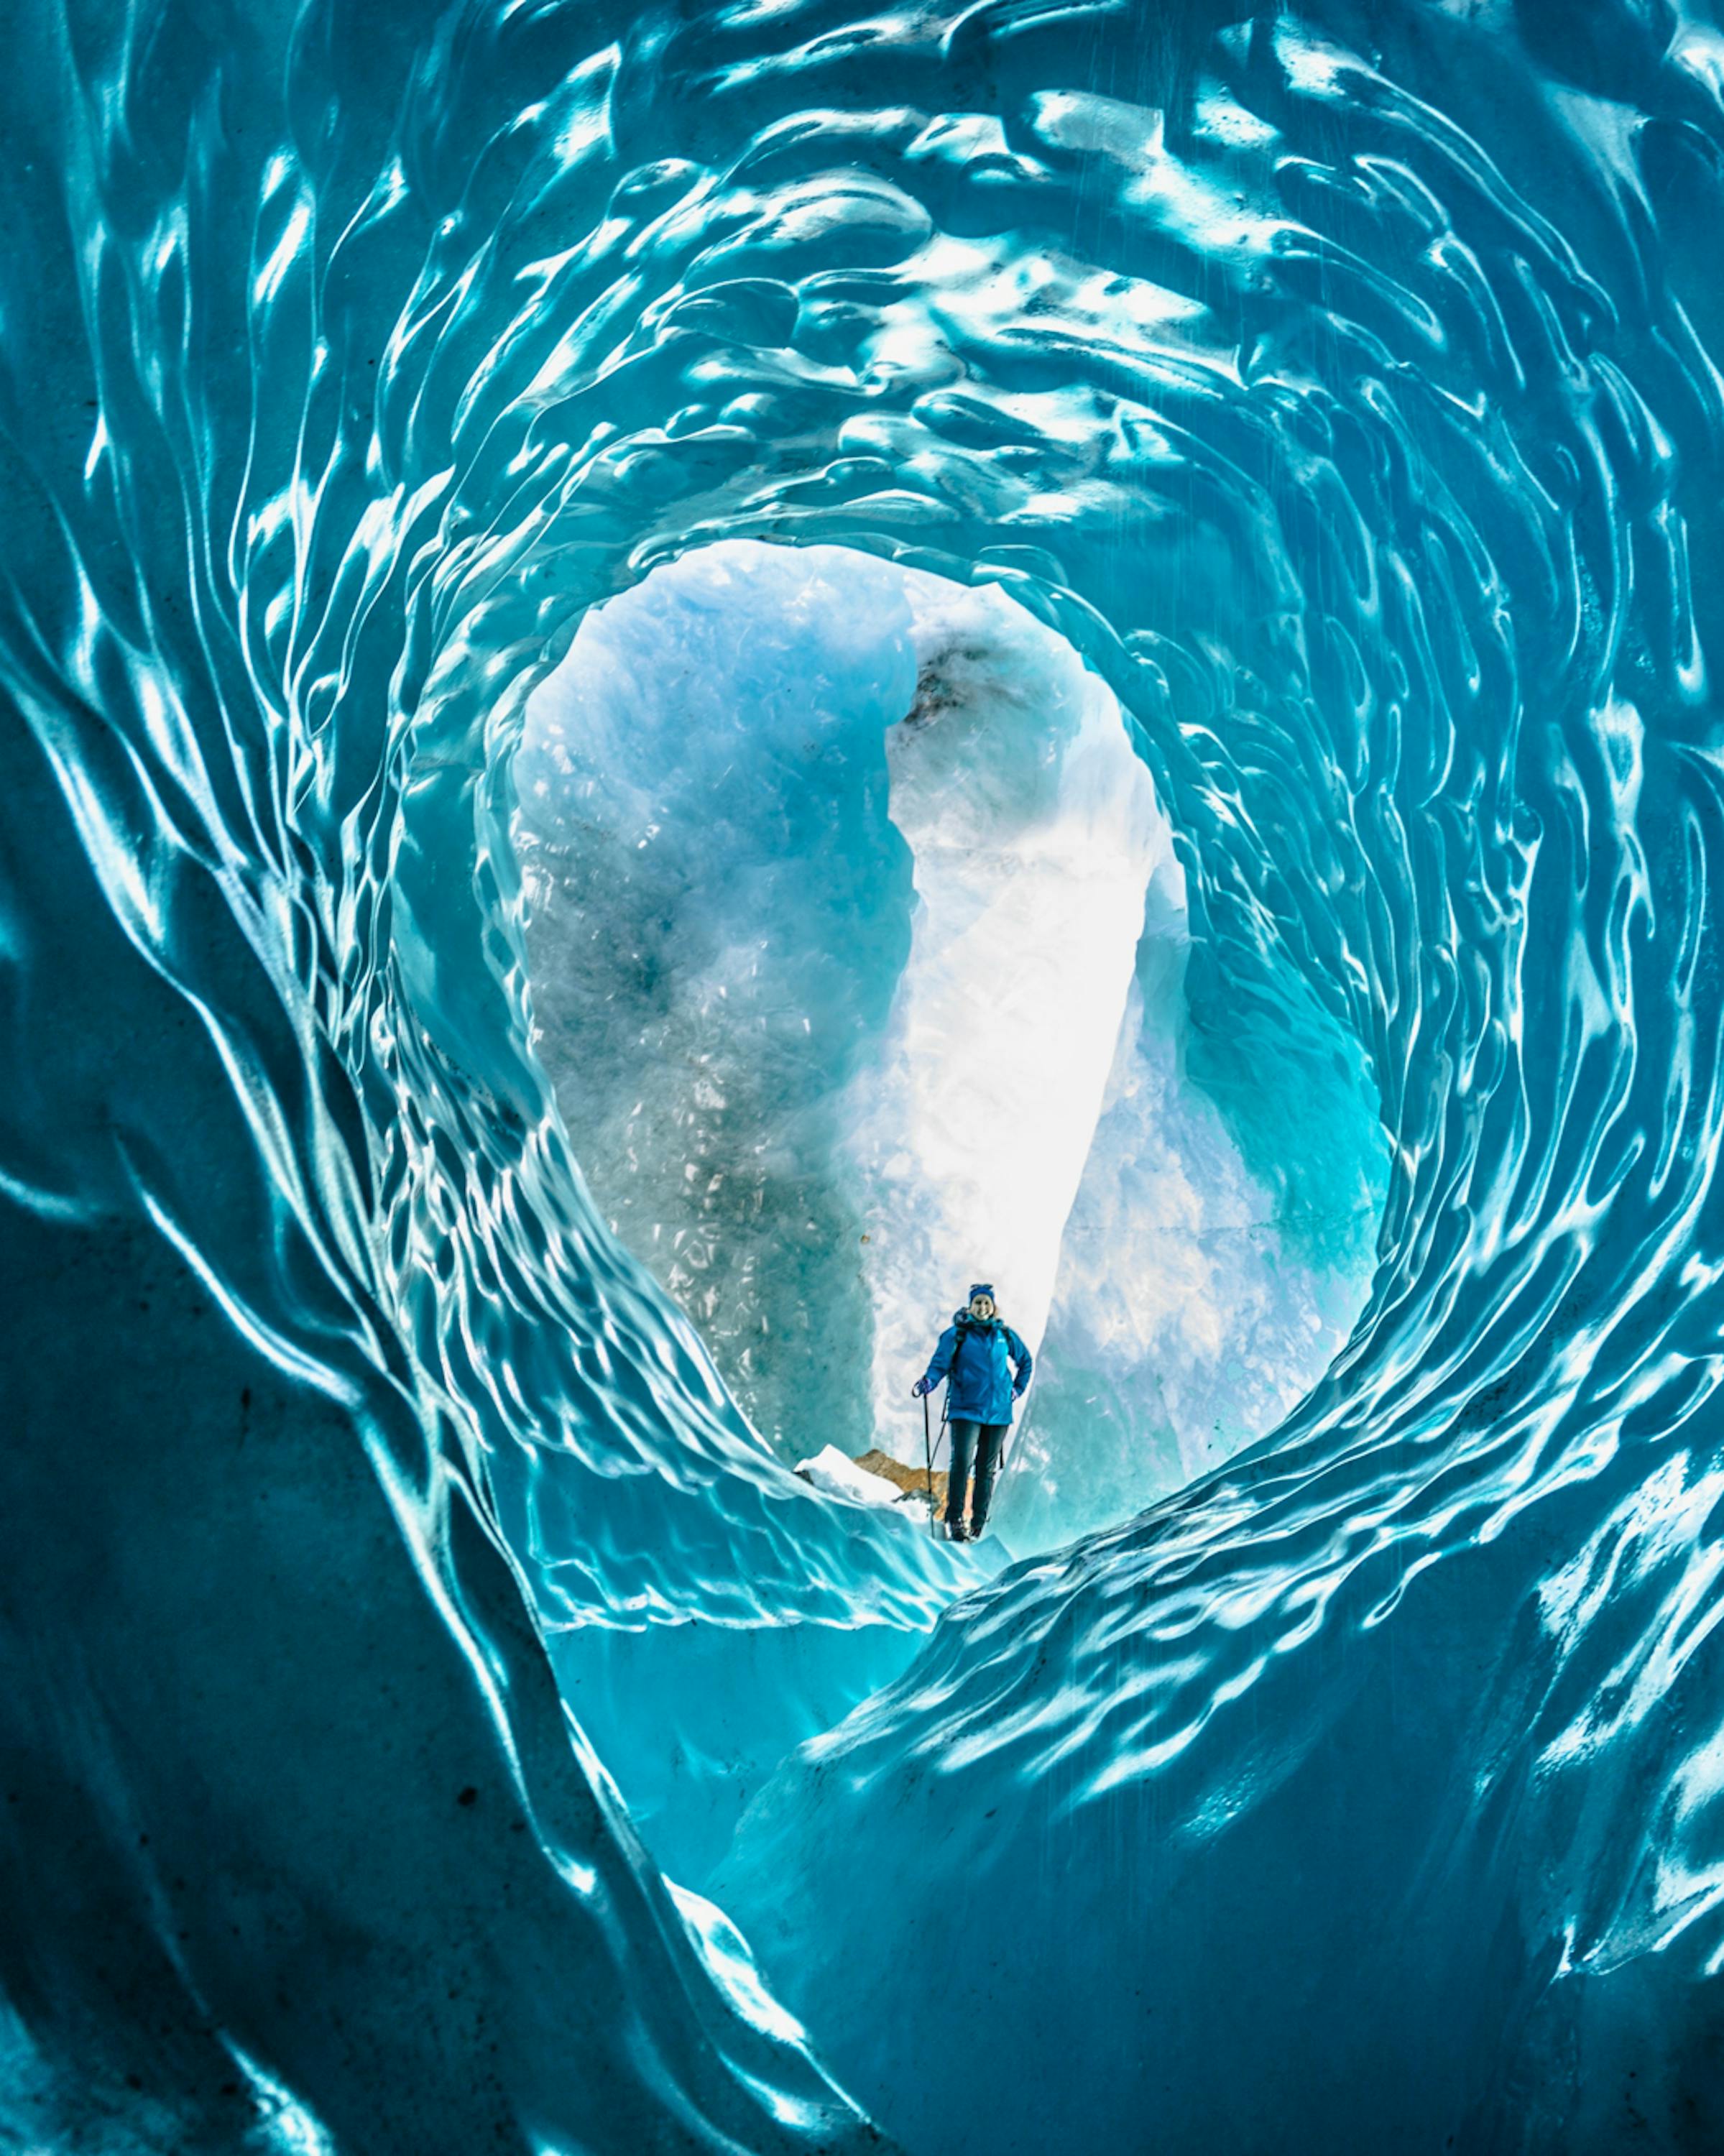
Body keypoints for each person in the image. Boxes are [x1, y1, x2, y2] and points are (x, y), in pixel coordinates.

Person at [912, 1283, 1033, 1542]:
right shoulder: (957, 1335)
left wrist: (1017, 1389)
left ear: (993, 1307)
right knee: (962, 1464)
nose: (982, 1307)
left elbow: (1026, 1362)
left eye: (986, 1303)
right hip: (965, 1409)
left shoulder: (1005, 1335)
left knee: (986, 1470)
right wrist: (929, 1382)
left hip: (998, 1413)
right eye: (978, 1303)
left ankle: (978, 1523)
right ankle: (955, 1519)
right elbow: (939, 1365)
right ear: (970, 1307)